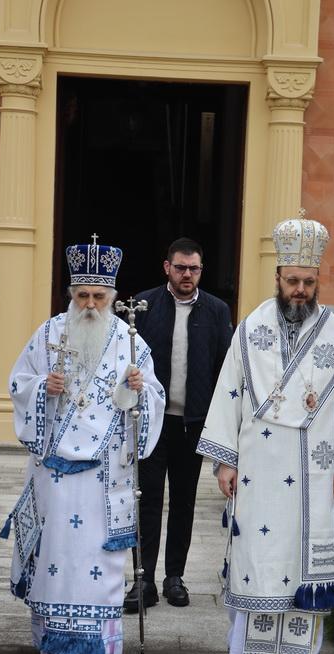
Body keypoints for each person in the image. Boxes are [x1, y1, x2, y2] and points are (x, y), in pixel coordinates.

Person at [197, 212, 334, 654]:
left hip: (313, 473)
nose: (300, 290)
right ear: (277, 276)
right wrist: (225, 460)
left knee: (301, 570)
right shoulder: (249, 331)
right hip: (257, 471)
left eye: (308, 282)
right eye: (293, 280)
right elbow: (229, 395)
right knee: (257, 559)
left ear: (318, 281)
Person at [3, 238, 165, 654]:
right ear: (71, 295)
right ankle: (52, 643)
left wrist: (139, 390)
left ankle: (100, 651)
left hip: (104, 478)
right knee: (56, 558)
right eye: (82, 296)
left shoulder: (129, 340)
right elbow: (18, 383)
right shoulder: (48, 333)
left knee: (97, 563)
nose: (90, 305)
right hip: (54, 476)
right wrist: (43, 389)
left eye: (98, 297)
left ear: (112, 297)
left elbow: (154, 397)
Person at [123, 237, 233, 612]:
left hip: (193, 424)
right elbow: (125, 360)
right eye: (181, 267)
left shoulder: (216, 310)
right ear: (167, 267)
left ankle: (174, 577)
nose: (188, 274)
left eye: (194, 268)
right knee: (148, 501)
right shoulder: (143, 306)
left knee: (184, 502)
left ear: (201, 270)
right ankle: (144, 580)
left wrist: (221, 423)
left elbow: (224, 369)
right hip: (152, 423)